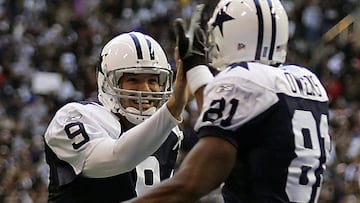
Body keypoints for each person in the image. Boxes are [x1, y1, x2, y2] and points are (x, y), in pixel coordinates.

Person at [126, 0, 331, 202]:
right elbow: (233, 119)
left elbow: (190, 184)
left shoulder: (243, 81)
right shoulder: (307, 82)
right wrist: (196, 66)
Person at [44, 31, 188, 203]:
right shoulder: (75, 117)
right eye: (133, 80)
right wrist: (172, 109)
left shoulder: (170, 132)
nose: (145, 89)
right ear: (107, 84)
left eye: (152, 80)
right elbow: (118, 158)